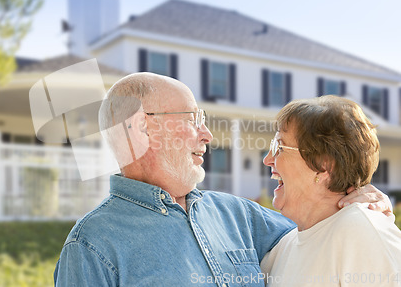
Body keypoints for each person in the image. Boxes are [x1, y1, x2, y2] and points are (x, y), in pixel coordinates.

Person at [54, 73, 391, 287]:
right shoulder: (90, 248)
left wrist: (359, 197)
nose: (207, 134)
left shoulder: (238, 215)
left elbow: (319, 230)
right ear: (143, 127)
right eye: (193, 118)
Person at [260, 95, 401, 286]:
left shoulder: (361, 231)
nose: (267, 159)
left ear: (324, 164)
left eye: (279, 147)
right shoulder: (282, 248)